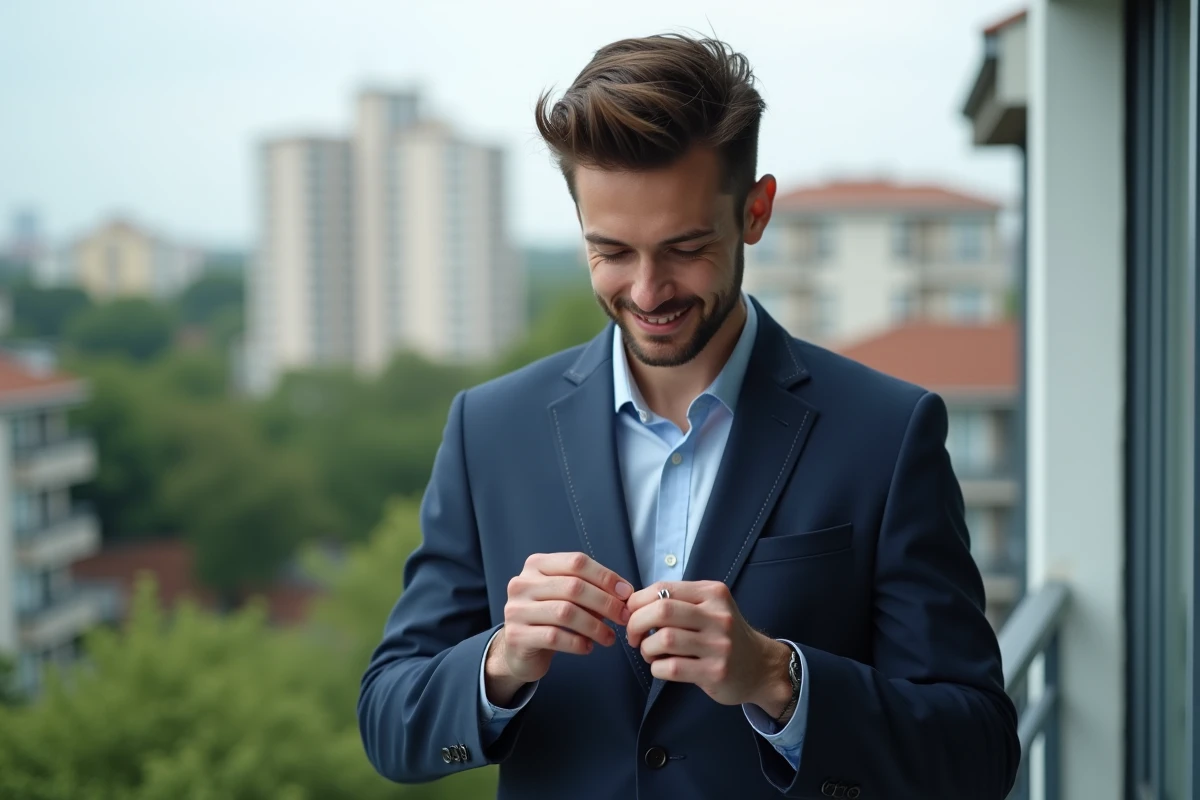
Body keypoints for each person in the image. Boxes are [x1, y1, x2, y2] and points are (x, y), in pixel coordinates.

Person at [358, 33, 1020, 799]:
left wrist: (779, 678)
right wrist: (500, 660)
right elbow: (390, 726)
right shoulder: (490, 431)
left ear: (756, 211)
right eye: (611, 251)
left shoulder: (888, 433)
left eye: (684, 248)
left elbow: (978, 753)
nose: (647, 291)